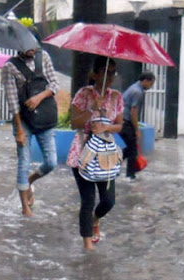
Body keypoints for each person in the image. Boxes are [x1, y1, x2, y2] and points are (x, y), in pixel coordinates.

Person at [66, 56, 124, 250]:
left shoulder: (116, 96)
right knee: (88, 200)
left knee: (108, 200)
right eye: (106, 72)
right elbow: (74, 123)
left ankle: (95, 219)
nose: (110, 77)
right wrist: (91, 110)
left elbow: (120, 125)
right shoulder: (83, 94)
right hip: (83, 152)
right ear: (95, 74)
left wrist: (105, 128)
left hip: (105, 153)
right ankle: (87, 244)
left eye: (112, 73)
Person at [2, 46, 60, 217]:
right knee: (24, 161)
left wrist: (39, 96)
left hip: (45, 117)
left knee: (51, 162)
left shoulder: (44, 57)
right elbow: (12, 102)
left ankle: (28, 182)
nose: (31, 50)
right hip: (23, 120)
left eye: (33, 46)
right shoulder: (9, 67)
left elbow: (55, 84)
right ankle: (24, 207)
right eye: (27, 47)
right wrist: (19, 129)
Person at [120, 71, 155, 180]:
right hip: (125, 122)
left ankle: (111, 164)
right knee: (132, 149)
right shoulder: (137, 92)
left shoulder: (134, 87)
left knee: (130, 148)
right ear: (145, 81)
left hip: (122, 120)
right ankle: (130, 176)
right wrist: (136, 129)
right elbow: (133, 113)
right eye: (151, 83)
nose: (151, 86)